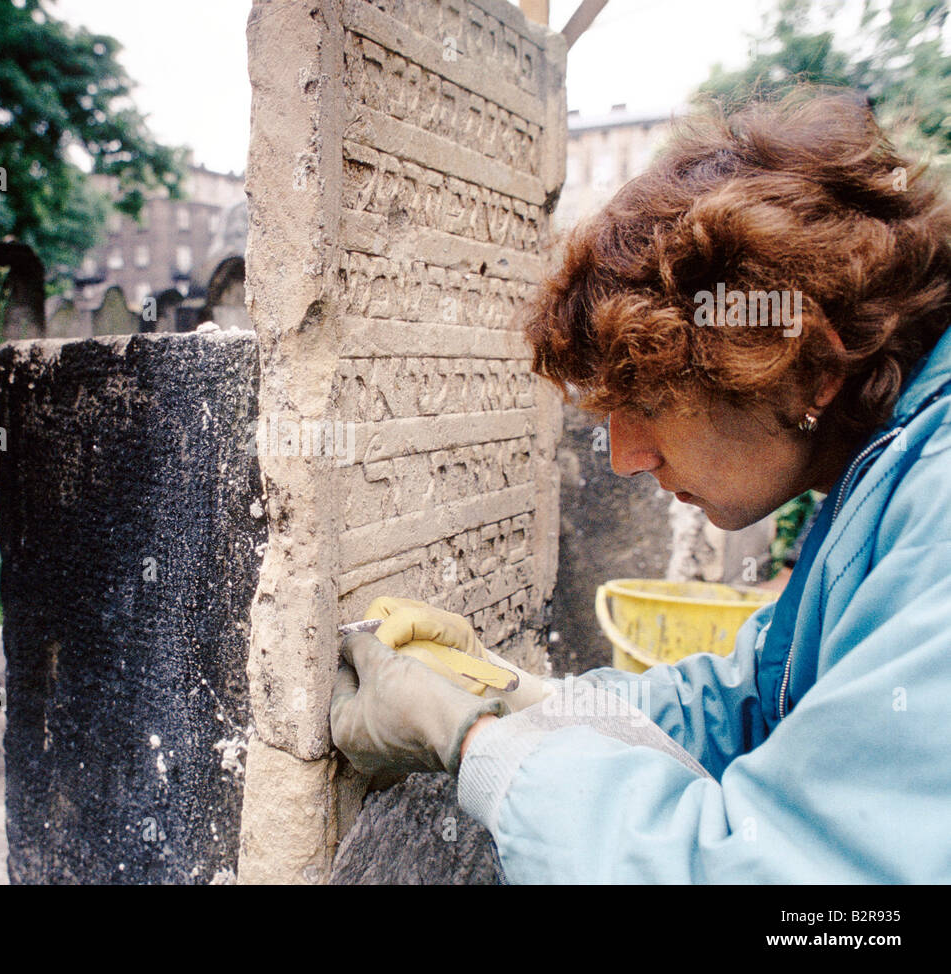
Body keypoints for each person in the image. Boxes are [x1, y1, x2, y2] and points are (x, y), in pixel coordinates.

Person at [329, 87, 951, 882]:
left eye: (649, 406)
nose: (625, 458)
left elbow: (794, 883)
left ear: (813, 366)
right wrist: (500, 686)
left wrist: (468, 739)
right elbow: (743, 712)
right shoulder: (888, 471)